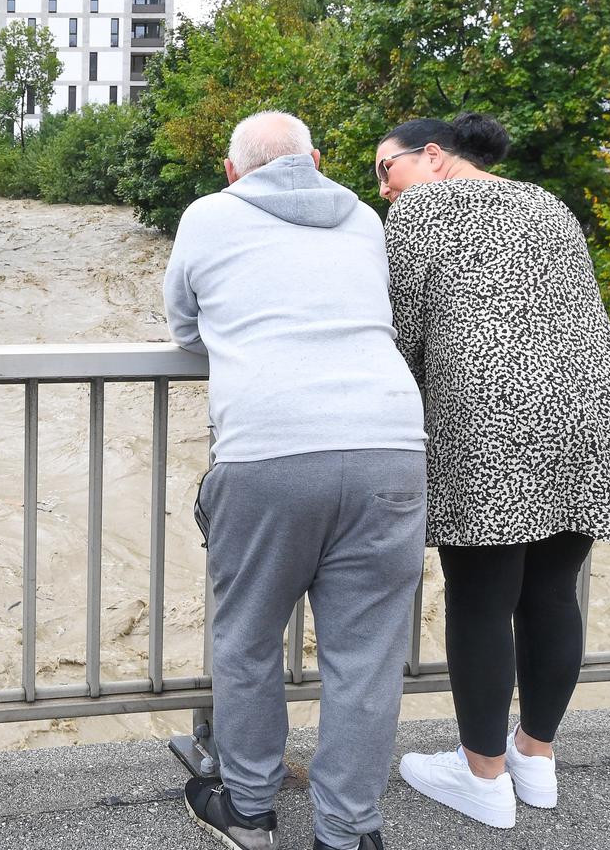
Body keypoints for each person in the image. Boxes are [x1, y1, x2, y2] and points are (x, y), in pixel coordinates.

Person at [375, 113, 610, 829]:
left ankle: (482, 776)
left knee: (479, 598)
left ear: (431, 156)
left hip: (495, 421)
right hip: (592, 411)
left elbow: (399, 333)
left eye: (386, 169)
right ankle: (534, 758)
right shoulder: (547, 201)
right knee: (553, 592)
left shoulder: (421, 208)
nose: (382, 189)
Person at [164, 111, 428, 850]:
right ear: (316, 159)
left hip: (269, 450)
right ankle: (347, 833)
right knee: (366, 657)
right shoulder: (363, 219)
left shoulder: (208, 216)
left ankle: (249, 812)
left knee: (246, 640)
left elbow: (185, 327)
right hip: (390, 448)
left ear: (229, 170)